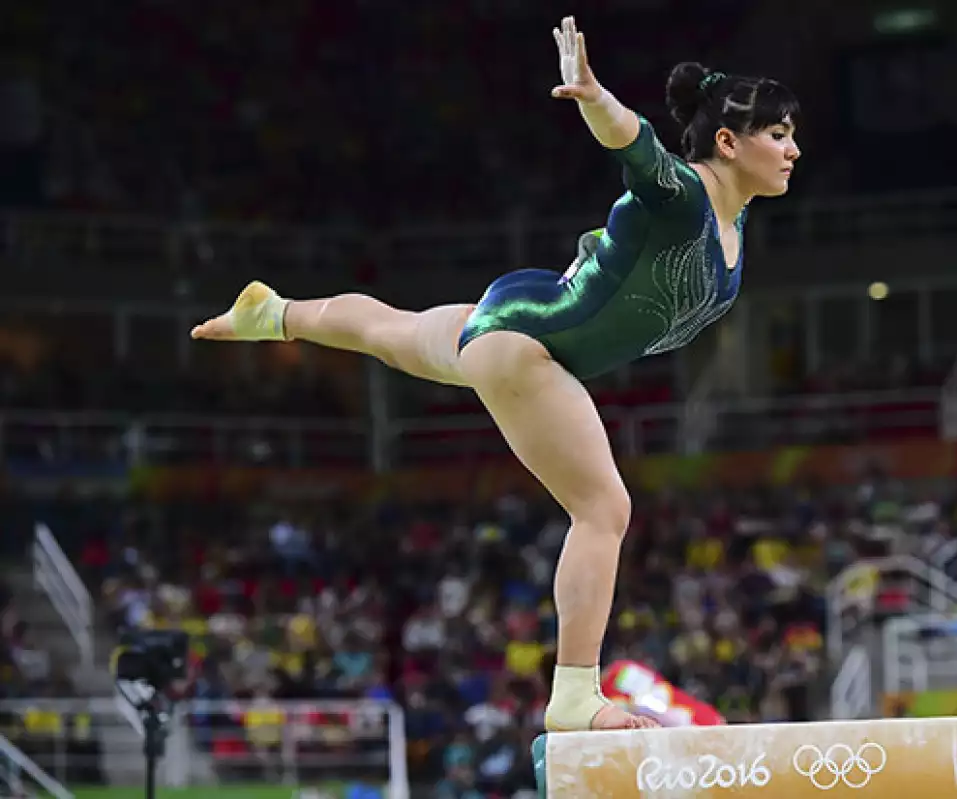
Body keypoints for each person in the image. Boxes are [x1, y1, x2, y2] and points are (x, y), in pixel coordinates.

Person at [191, 15, 801, 731]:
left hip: (520, 322)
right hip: (529, 342)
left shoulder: (736, 228)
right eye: (779, 134)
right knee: (603, 509)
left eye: (793, 132)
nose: (794, 149)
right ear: (728, 142)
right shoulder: (687, 196)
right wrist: (596, 97)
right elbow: (638, 149)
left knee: (392, 332)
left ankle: (275, 313)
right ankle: (575, 693)